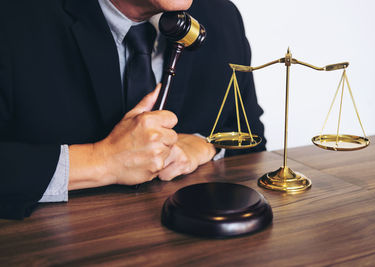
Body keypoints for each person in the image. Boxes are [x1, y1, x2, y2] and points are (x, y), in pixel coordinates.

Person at [0, 0, 266, 219]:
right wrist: (100, 160)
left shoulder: (221, 17)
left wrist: (204, 145)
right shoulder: (13, 18)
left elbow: (251, 138)